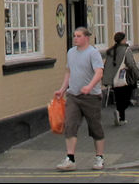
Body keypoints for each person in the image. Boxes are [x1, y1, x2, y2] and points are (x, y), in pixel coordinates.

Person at [54, 26, 106, 171]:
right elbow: (68, 72)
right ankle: (70, 159)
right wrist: (62, 89)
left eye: (78, 36)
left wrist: (89, 87)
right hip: (73, 96)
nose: (75, 38)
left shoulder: (93, 53)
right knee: (70, 125)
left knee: (95, 128)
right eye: (74, 36)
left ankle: (99, 157)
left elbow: (99, 73)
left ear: (86, 38)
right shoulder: (71, 52)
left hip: (91, 97)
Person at [101, 32, 139, 126]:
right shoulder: (126, 50)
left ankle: (121, 118)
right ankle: (119, 113)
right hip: (124, 78)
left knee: (119, 98)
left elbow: (107, 66)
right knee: (127, 98)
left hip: (114, 80)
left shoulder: (111, 51)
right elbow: (131, 64)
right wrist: (138, 75)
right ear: (123, 40)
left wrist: (106, 79)